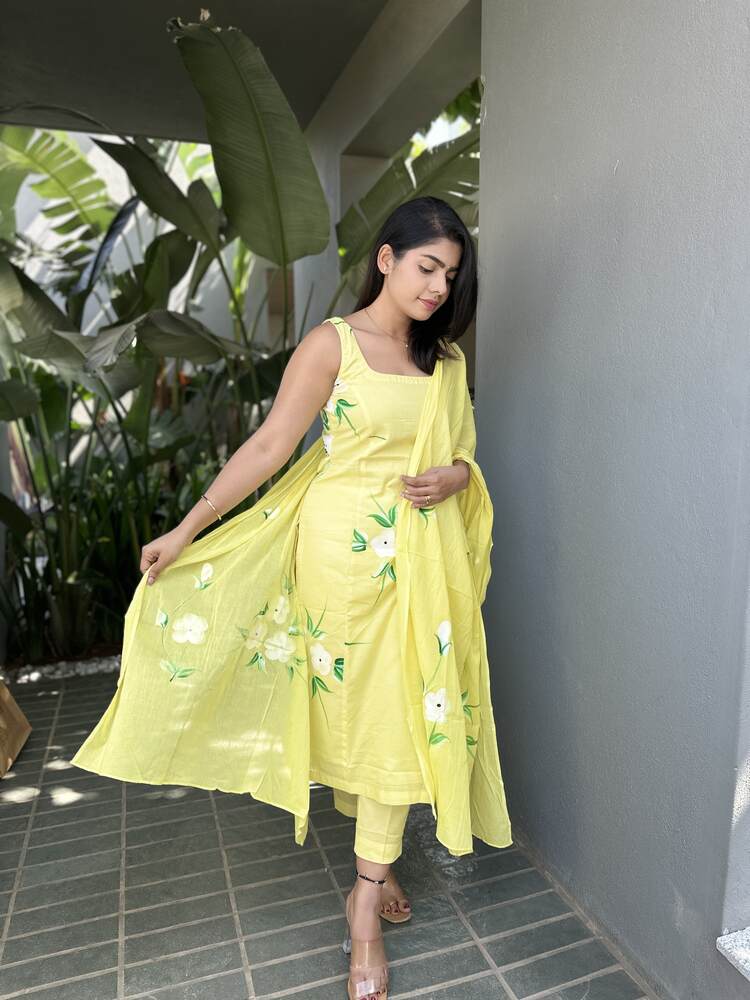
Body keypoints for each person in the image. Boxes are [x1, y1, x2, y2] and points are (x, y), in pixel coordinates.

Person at [74, 195, 513, 1000]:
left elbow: (460, 452)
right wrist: (188, 528)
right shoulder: (332, 345)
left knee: (404, 717)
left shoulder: (445, 360)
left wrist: (457, 477)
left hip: (422, 566)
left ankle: (365, 900)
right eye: (427, 268)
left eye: (451, 277)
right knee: (364, 719)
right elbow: (272, 444)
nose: (438, 288)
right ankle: (375, 876)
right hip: (340, 565)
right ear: (387, 258)